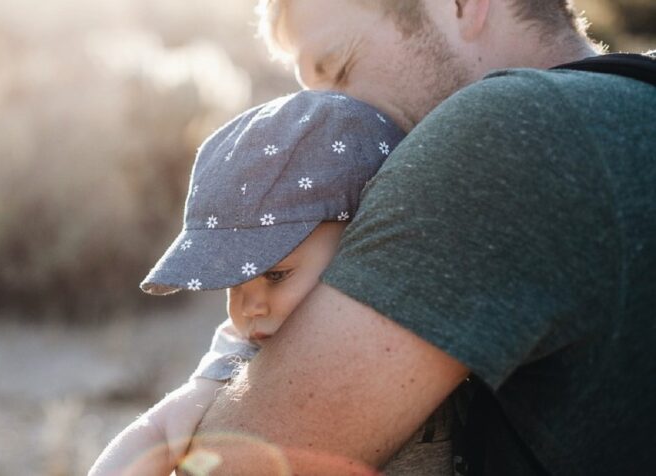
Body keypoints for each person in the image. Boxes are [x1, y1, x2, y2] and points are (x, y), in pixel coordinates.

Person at [179, 0, 656, 474]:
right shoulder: (631, 103)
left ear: (463, 6)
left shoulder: (503, 130)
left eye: (340, 69)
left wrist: (205, 387)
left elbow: (229, 466)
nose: (325, 117)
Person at [89, 91, 458, 476]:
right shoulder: (245, 352)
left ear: (362, 240)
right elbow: (158, 428)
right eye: (233, 284)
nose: (249, 307)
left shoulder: (427, 310)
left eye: (276, 275)